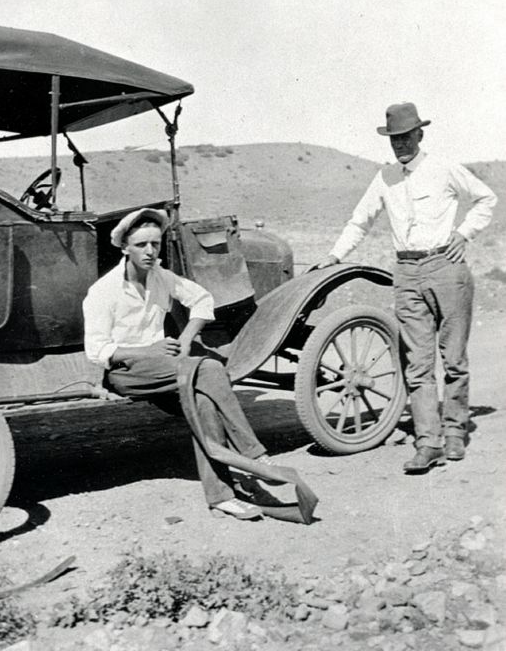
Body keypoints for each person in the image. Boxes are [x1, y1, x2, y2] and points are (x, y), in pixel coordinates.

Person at [314, 103, 497, 473]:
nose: (400, 145)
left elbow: (485, 199)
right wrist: (334, 255)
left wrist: (464, 234)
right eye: (394, 138)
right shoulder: (385, 178)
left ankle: (455, 433)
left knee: (455, 360)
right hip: (407, 272)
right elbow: (360, 220)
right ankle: (428, 442)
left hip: (446, 268)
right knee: (417, 363)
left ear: (420, 134)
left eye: (405, 137)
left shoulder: (443, 169)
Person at [83, 207, 275, 520]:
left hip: (165, 365)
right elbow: (98, 350)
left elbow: (202, 300)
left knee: (203, 401)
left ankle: (221, 496)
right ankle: (254, 454)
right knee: (210, 368)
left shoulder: (161, 277)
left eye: (155, 244)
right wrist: (149, 350)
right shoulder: (103, 291)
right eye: (142, 245)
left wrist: (185, 339)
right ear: (124, 248)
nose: (149, 251)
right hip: (126, 372)